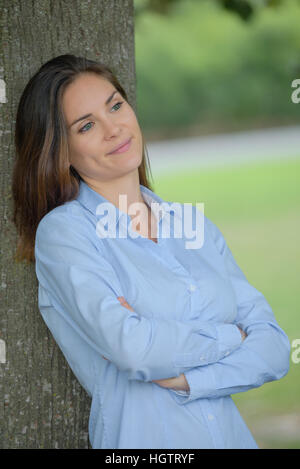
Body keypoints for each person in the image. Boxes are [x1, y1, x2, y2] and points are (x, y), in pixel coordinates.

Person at [12, 54, 290, 449]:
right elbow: (133, 350)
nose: (114, 129)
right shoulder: (65, 235)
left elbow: (276, 349)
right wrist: (234, 337)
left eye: (115, 105)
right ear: (60, 150)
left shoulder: (193, 226)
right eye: (87, 125)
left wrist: (186, 378)